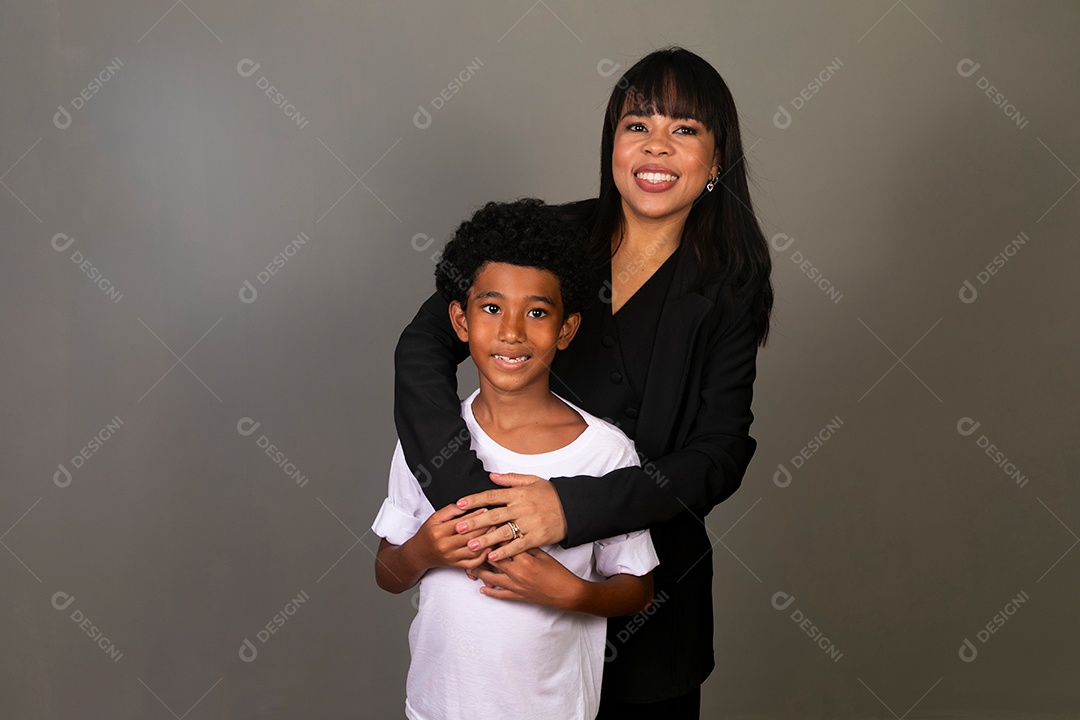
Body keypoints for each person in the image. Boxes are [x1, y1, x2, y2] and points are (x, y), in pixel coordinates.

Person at [394, 47, 773, 718]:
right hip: (503, 629)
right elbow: (422, 348)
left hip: (647, 615)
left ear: (716, 161)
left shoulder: (730, 289)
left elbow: (719, 455)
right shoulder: (550, 237)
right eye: (637, 125)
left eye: (684, 130)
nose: (656, 146)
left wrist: (569, 510)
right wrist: (477, 509)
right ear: (611, 145)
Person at [373, 198, 660, 720]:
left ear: (566, 329)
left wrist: (572, 593)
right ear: (459, 319)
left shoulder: (605, 451)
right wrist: (424, 551)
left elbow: (638, 589)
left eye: (536, 312)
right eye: (490, 307)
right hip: (437, 708)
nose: (512, 331)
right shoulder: (429, 443)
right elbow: (388, 572)